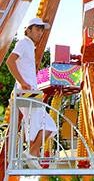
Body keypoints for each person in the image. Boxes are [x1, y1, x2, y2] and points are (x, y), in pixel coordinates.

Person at [4, 18, 58, 167]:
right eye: (37, 29)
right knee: (49, 125)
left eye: (42, 29)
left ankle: (31, 153)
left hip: (30, 93)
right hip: (27, 93)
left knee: (39, 124)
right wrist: (22, 82)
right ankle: (32, 153)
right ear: (28, 30)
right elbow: (10, 61)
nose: (40, 32)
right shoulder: (23, 43)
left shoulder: (29, 46)